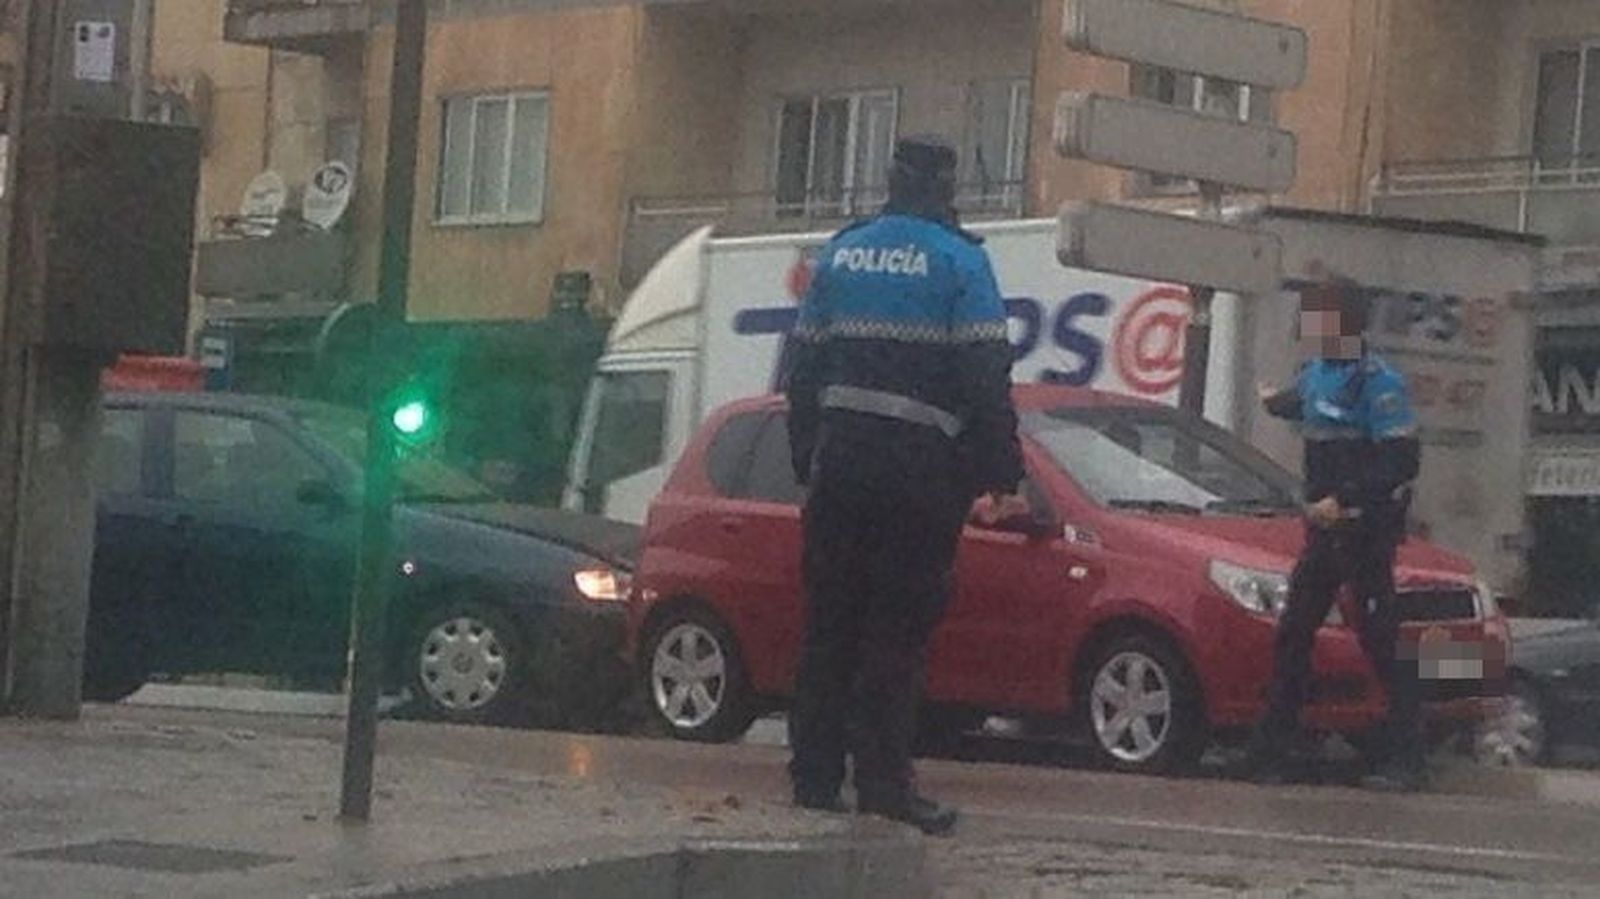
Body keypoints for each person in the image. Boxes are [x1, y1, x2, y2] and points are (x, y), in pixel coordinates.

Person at [784, 136, 1027, 835]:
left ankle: (813, 776)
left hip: (840, 468)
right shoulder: (960, 261)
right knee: (897, 632)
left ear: (890, 181)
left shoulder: (842, 253)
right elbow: (985, 376)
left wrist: (807, 458)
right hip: (919, 475)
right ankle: (885, 785)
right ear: (945, 188)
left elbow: (802, 369)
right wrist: (1001, 473)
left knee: (829, 625)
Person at [1248, 271, 1427, 792]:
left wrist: (1344, 500)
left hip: (1363, 531)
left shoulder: (1376, 381)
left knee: (1380, 639)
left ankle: (1408, 755)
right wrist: (1270, 400)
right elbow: (1297, 403)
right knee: (1294, 633)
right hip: (1323, 533)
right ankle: (1272, 750)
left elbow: (1401, 460)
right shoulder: (1316, 374)